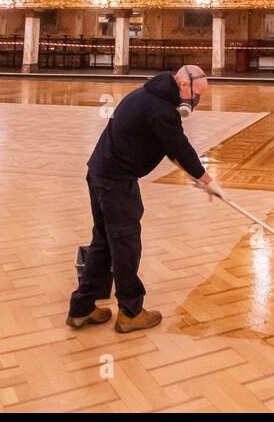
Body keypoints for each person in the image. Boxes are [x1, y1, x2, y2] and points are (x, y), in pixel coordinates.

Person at [67, 64, 222, 334]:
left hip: (99, 173)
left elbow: (169, 149)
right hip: (117, 182)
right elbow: (179, 148)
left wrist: (200, 180)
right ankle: (131, 312)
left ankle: (82, 309)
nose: (195, 102)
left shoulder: (146, 95)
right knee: (126, 244)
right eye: (196, 95)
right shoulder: (162, 110)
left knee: (103, 240)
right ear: (184, 86)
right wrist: (208, 180)